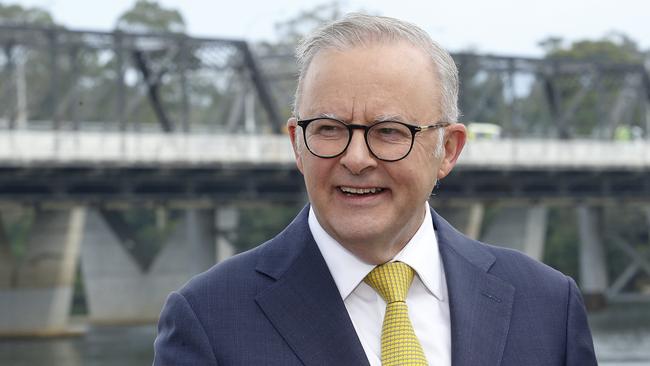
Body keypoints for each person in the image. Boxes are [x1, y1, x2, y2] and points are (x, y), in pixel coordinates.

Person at [153, 14, 597, 365]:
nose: (357, 158)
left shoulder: (547, 305)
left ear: (449, 149)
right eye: (328, 129)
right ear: (296, 144)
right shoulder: (208, 319)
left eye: (389, 131)